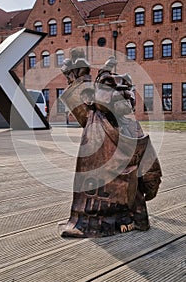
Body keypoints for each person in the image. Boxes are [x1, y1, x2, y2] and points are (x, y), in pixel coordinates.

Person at [59, 50, 162, 237]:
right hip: (94, 197)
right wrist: (76, 81)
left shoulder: (129, 125)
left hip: (123, 197)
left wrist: (150, 185)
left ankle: (128, 219)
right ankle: (91, 221)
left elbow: (147, 159)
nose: (122, 97)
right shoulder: (95, 117)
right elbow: (81, 107)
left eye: (125, 93)